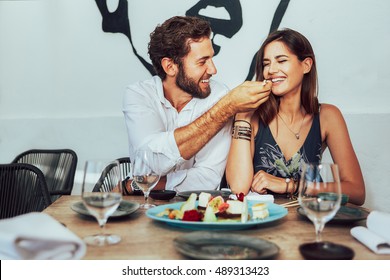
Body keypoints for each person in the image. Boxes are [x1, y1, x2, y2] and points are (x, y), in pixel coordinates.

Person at [122, 16, 271, 193]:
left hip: (196, 210)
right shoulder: (139, 95)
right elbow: (155, 161)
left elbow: (208, 179)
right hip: (142, 208)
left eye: (211, 58)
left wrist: (136, 185)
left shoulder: (219, 96)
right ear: (170, 67)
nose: (213, 69)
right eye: (202, 62)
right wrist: (226, 108)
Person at [226, 28, 365, 205]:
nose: (271, 70)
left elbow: (357, 191)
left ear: (306, 65)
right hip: (262, 222)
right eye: (266, 63)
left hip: (310, 221)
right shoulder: (251, 116)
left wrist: (290, 185)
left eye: (281, 60)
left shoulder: (328, 116)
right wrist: (242, 114)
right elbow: (238, 189)